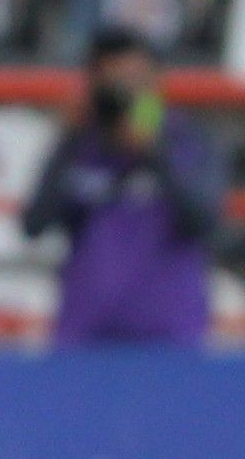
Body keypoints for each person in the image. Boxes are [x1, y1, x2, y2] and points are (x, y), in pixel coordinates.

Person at [23, 28, 225, 346]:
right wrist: (70, 140)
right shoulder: (80, 144)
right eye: (109, 78)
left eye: (133, 77)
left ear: (156, 81)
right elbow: (33, 224)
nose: (123, 90)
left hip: (169, 334)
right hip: (86, 333)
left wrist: (151, 149)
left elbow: (205, 221)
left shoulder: (186, 139)